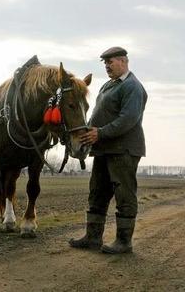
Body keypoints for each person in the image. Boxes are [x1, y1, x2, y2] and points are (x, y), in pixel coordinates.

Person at [69, 47, 147, 254]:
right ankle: (93, 238)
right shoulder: (108, 86)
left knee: (124, 194)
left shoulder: (132, 86)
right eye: (105, 63)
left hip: (124, 149)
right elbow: (97, 115)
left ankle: (124, 242)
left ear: (123, 61)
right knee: (97, 192)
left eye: (110, 62)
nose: (106, 66)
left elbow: (128, 119)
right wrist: (86, 133)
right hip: (103, 149)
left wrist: (100, 133)